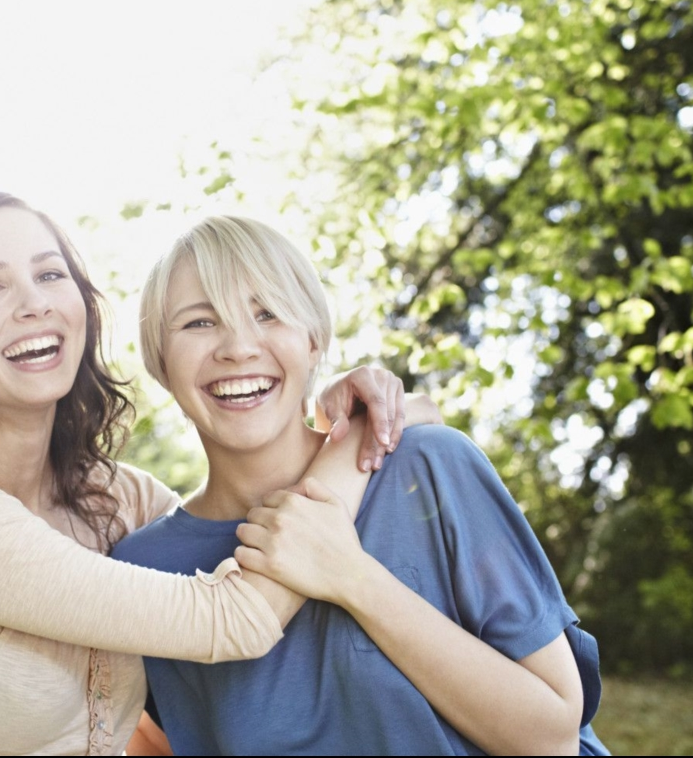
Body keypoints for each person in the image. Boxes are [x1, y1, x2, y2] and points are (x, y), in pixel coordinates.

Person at [0, 192, 430, 756]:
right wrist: (354, 446)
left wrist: (360, 405)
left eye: (50, 274)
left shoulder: (116, 499)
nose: (34, 304)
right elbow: (231, 618)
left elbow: (237, 512)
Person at [113, 215, 609, 755]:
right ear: (160, 361)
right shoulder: (143, 570)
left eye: (267, 313)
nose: (238, 346)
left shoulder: (430, 469)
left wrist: (351, 577)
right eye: (199, 323)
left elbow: (553, 737)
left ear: (314, 341)